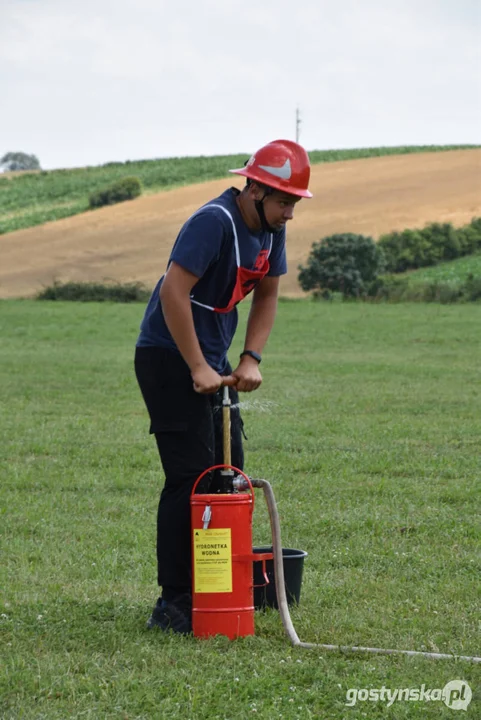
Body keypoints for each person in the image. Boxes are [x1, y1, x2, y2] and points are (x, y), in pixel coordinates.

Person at [134, 139, 312, 634]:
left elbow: (268, 293)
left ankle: (222, 588)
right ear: (254, 189)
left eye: (294, 203)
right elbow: (174, 290)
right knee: (190, 477)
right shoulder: (214, 222)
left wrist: (250, 356)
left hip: (212, 360)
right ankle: (174, 602)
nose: (289, 213)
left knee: (229, 475)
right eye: (283, 202)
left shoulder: (272, 230)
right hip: (168, 357)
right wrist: (196, 366)